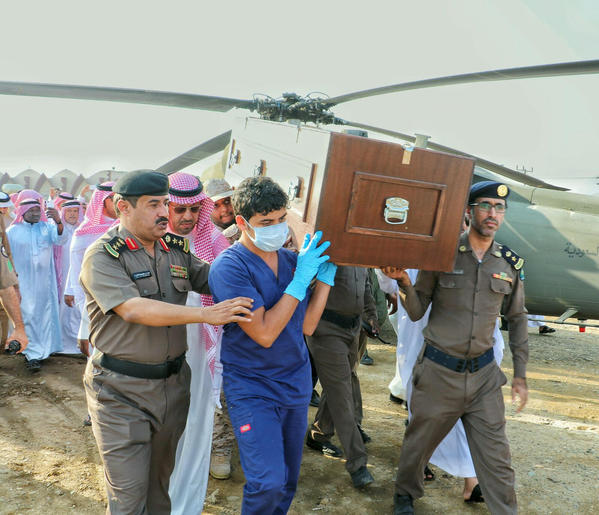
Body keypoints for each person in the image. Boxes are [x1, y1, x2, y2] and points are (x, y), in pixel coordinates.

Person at [80, 170, 253, 514]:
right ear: (122, 207)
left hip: (173, 387)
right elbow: (133, 309)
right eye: (153, 204)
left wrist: (261, 248)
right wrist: (205, 315)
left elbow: (215, 278)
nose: (164, 212)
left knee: (160, 490)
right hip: (120, 391)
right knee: (129, 498)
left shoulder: (175, 251)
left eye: (165, 204)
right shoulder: (103, 256)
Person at [383, 181, 528, 515]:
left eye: (499, 208)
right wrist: (404, 282)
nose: (492, 214)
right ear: (469, 211)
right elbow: (417, 311)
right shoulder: (441, 257)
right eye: (485, 206)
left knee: (497, 457)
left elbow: (518, 319)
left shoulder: (508, 264)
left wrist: (520, 375)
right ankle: (405, 495)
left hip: (484, 377)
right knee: (418, 443)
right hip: (438, 373)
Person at [208, 176, 334, 514]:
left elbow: (306, 326)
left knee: (288, 481)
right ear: (241, 223)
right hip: (252, 387)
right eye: (266, 223)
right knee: (267, 481)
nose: (277, 229)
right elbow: (263, 333)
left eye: (281, 219)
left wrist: (324, 281)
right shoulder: (229, 267)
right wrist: (301, 282)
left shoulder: (292, 262)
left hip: (294, 383)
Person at [377, 267, 506, 502]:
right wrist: (389, 273)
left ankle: (471, 481)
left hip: (465, 348)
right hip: (421, 337)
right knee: (424, 413)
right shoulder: (412, 253)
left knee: (463, 414)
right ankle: (414, 477)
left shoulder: (472, 256)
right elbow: (389, 287)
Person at [166, 172, 231, 513]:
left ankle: (186, 500)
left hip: (202, 343)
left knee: (197, 415)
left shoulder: (216, 241)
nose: (188, 217)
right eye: (180, 210)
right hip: (160, 343)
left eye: (194, 209)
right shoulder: (150, 240)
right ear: (167, 207)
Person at [306, 266, 378, 489]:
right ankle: (358, 464)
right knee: (342, 394)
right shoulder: (327, 243)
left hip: (352, 329)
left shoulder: (361, 249)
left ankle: (319, 433)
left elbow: (364, 285)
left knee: (340, 383)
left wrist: (371, 315)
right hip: (325, 329)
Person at [7, 190, 66, 371]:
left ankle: (41, 351)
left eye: (37, 210)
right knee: (27, 316)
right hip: (22, 283)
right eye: (31, 210)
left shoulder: (47, 228)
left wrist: (58, 221)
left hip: (44, 285)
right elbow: (6, 258)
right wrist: (11, 276)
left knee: (43, 317)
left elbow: (61, 240)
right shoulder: (12, 232)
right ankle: (31, 354)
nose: (35, 213)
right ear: (22, 212)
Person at [204, 177, 238, 480]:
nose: (224, 209)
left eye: (228, 201)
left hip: (232, 329)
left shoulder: (244, 232)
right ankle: (214, 447)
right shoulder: (202, 236)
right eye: (216, 204)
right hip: (199, 326)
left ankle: (222, 446)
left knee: (223, 391)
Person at [64, 182, 116, 358]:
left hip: (122, 295)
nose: (119, 202)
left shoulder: (126, 227)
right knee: (97, 348)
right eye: (113, 198)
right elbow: (75, 264)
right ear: (102, 201)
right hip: (92, 298)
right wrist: (71, 291)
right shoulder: (85, 232)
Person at [55, 198, 85, 354]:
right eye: (69, 211)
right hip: (62, 276)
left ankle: (78, 344)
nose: (73, 214)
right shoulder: (59, 230)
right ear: (63, 213)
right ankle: (64, 344)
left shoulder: (84, 231)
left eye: (76, 211)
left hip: (79, 276)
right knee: (64, 310)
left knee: (78, 310)